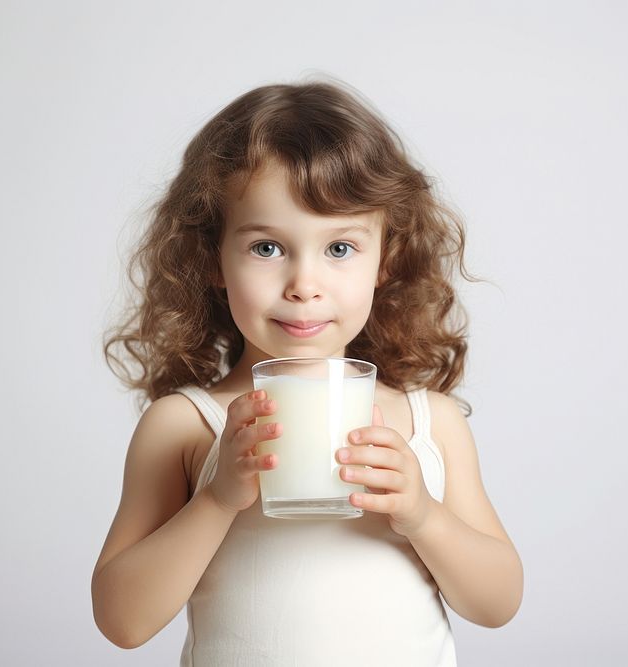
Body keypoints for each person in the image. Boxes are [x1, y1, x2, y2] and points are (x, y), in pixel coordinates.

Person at [91, 77, 523, 666]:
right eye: (267, 248)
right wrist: (217, 500)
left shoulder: (430, 424)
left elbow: (498, 602)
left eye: (339, 248)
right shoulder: (186, 426)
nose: (304, 285)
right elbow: (122, 620)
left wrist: (422, 515)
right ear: (213, 257)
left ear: (385, 260)